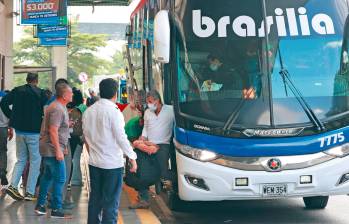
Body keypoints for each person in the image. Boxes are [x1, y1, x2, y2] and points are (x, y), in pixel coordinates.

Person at [83, 78, 137, 224]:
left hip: (94, 163)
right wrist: (132, 157)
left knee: (95, 199)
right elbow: (121, 137)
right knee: (111, 202)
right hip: (112, 164)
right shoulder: (114, 112)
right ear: (115, 93)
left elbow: (86, 136)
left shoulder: (89, 111)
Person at [1, 72, 47, 201]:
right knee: (35, 161)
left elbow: (4, 103)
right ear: (36, 81)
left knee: (21, 159)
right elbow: (46, 110)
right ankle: (30, 192)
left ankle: (13, 186)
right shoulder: (41, 93)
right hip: (34, 132)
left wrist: (12, 117)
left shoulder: (17, 91)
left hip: (20, 131)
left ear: (27, 80)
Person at [129, 90, 175, 209]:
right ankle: (143, 199)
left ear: (157, 100)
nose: (149, 104)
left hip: (163, 146)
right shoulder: (148, 112)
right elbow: (145, 128)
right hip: (147, 145)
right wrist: (142, 139)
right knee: (141, 172)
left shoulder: (171, 110)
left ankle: (178, 184)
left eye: (151, 102)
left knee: (163, 172)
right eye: (148, 102)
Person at [35, 83, 73, 218]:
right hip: (52, 149)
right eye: (70, 93)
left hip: (50, 147)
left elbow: (57, 128)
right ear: (64, 95)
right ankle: (56, 209)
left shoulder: (59, 106)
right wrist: (58, 150)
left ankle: (40, 205)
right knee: (61, 178)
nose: (72, 94)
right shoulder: (57, 108)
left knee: (48, 176)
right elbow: (53, 130)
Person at [0, 91, 13, 186]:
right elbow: (10, 116)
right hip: (3, 129)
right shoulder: (6, 100)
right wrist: (11, 129)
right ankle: (2, 171)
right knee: (3, 151)